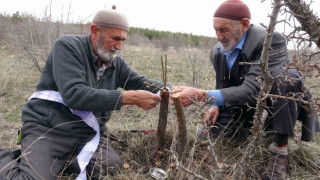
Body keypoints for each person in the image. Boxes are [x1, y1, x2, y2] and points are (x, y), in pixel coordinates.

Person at [0, 6, 165, 180]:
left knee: (110, 166)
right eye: (115, 38)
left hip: (86, 133)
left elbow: (142, 82)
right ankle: (29, 158)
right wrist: (127, 98)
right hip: (49, 128)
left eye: (123, 40)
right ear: (94, 31)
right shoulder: (68, 46)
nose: (119, 46)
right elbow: (75, 94)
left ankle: (53, 161)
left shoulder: (116, 63)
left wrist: (173, 90)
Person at [171, 0, 319, 179]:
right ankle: (251, 131)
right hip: (245, 101)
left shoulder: (271, 41)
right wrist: (215, 105)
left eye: (223, 30)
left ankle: (279, 150)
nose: (218, 36)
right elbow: (224, 85)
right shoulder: (218, 51)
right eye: (215, 30)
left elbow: (251, 90)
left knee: (287, 79)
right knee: (220, 134)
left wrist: (202, 95)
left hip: (274, 98)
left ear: (245, 25)